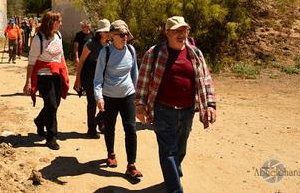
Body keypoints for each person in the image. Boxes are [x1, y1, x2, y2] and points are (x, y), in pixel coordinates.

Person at [135, 16, 217, 193]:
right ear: (167, 33)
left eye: (184, 30)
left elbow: (206, 79)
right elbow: (143, 79)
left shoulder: (195, 53)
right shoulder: (154, 53)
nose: (182, 34)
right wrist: (140, 104)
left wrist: (210, 104)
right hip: (163, 110)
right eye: (177, 31)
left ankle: (173, 175)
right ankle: (175, 188)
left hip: (187, 111)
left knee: (180, 150)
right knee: (168, 152)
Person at [93, 20, 142, 178]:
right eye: (121, 34)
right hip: (109, 97)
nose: (125, 37)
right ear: (112, 36)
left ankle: (131, 164)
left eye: (126, 34)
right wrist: (99, 97)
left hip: (128, 95)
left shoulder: (131, 51)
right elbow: (97, 79)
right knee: (110, 127)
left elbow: (135, 74)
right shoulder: (105, 52)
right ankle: (111, 154)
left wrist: (138, 95)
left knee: (131, 129)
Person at [23, 11, 69, 150]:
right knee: (52, 106)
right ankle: (51, 137)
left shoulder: (58, 35)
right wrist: (28, 82)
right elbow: (31, 62)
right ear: (51, 22)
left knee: (55, 104)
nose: (61, 24)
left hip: (57, 74)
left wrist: (66, 73)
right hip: (44, 75)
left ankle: (39, 120)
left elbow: (61, 56)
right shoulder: (39, 39)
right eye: (59, 21)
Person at [74, 19, 110, 139]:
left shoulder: (110, 45)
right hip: (89, 76)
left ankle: (100, 121)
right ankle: (91, 129)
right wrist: (78, 79)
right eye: (106, 31)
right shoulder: (90, 44)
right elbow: (82, 61)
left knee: (106, 102)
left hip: (104, 77)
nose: (108, 33)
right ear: (100, 32)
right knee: (92, 103)